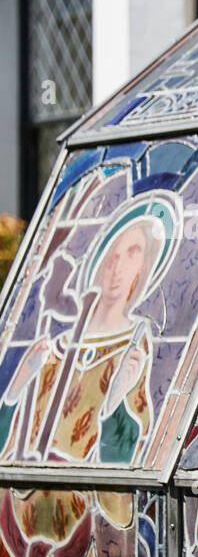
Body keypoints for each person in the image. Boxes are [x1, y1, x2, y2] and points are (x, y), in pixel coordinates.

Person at [0, 198, 174, 464]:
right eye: (112, 255)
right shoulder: (56, 346)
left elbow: (134, 461)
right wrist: (16, 389)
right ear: (101, 263)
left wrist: (115, 403)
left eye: (132, 254)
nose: (117, 267)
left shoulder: (135, 347)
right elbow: (11, 451)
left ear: (145, 267)